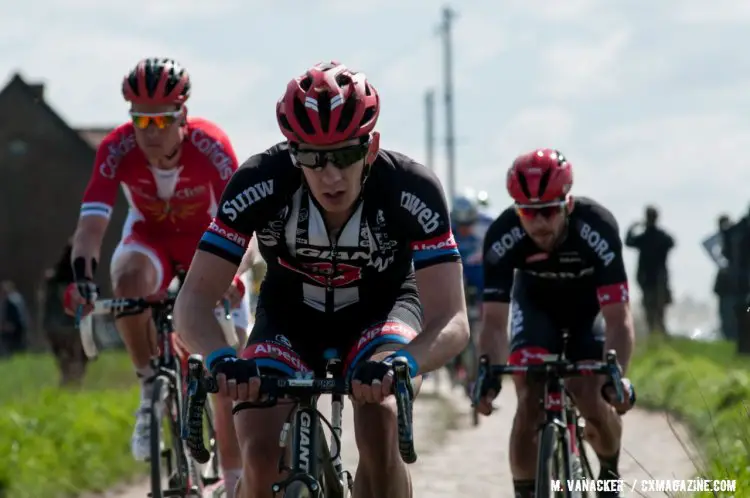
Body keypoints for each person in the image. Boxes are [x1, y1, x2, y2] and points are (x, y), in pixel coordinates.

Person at [173, 60, 469, 498]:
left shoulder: (410, 188)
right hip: (290, 317)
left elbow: (452, 318)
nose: (330, 175)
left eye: (345, 155)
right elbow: (192, 302)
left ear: (370, 148)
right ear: (293, 152)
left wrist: (405, 363)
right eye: (312, 157)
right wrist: (220, 357)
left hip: (382, 314)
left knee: (380, 421)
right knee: (256, 450)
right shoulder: (260, 181)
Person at [64, 57, 249, 496]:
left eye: (159, 120)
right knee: (126, 280)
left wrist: (233, 275)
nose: (148, 130)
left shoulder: (211, 146)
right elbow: (91, 226)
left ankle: (235, 479)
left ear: (182, 116)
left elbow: (244, 225)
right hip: (151, 239)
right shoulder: (116, 148)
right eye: (139, 119)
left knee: (228, 375)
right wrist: (83, 276)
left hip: (210, 243)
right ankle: (150, 386)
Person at [475, 149, 636, 498]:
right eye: (527, 213)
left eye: (548, 211)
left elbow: (618, 319)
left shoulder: (597, 226)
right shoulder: (503, 235)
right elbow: (493, 320)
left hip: (587, 308)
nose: (538, 223)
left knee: (590, 395)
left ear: (568, 203)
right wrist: (487, 375)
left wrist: (616, 376)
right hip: (535, 306)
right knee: (529, 401)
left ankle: (608, 471)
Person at [448, 193, 493, 390]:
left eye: (470, 223)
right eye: (460, 224)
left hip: (480, 280)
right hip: (457, 280)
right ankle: (453, 361)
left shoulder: (488, 224)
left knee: (489, 325)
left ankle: (485, 371)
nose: (465, 228)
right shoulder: (444, 226)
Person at [43, 237, 89, 387]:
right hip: (72, 327)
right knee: (77, 359)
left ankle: (67, 385)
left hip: (54, 328)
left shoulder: (52, 279)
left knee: (65, 361)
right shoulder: (78, 282)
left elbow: (46, 306)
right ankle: (73, 387)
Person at [624, 205, 675, 335]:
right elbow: (672, 243)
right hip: (656, 277)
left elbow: (629, 241)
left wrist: (633, 227)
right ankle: (659, 333)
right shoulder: (661, 236)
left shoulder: (645, 237)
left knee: (651, 309)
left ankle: (656, 333)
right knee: (658, 309)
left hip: (649, 278)